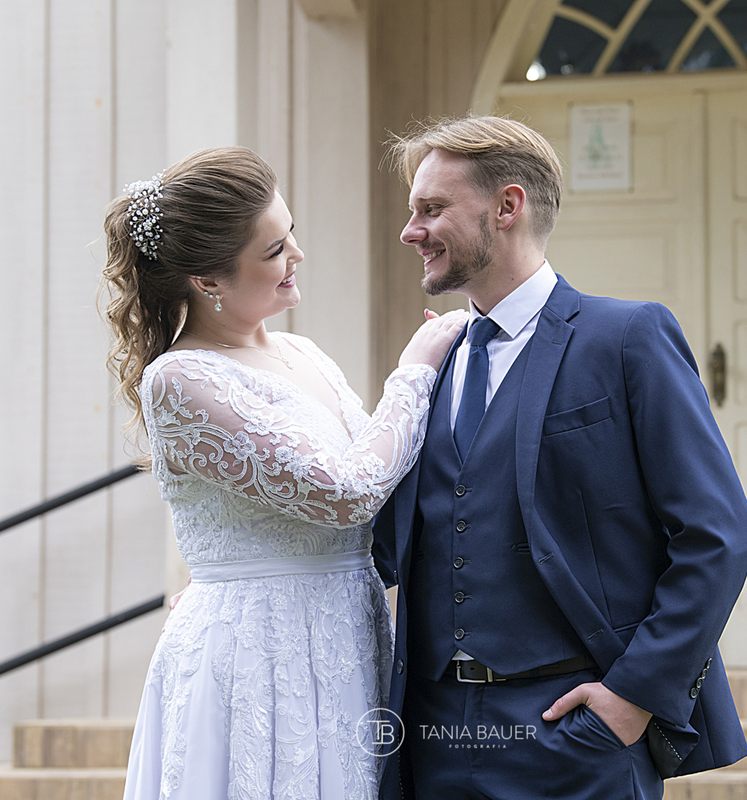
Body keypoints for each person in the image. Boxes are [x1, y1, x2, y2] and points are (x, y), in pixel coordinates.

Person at [370, 116, 747, 800]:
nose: (410, 231)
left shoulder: (626, 338)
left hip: (575, 740)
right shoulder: (432, 364)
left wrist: (632, 698)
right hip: (432, 739)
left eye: (431, 209)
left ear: (508, 206)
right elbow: (384, 544)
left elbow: (719, 534)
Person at [101, 146, 465, 800]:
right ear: (207, 280)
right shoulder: (180, 379)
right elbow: (345, 493)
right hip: (259, 654)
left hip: (350, 635)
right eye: (273, 250)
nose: (297, 254)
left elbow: (384, 474)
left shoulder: (305, 354)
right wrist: (415, 371)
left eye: (290, 232)